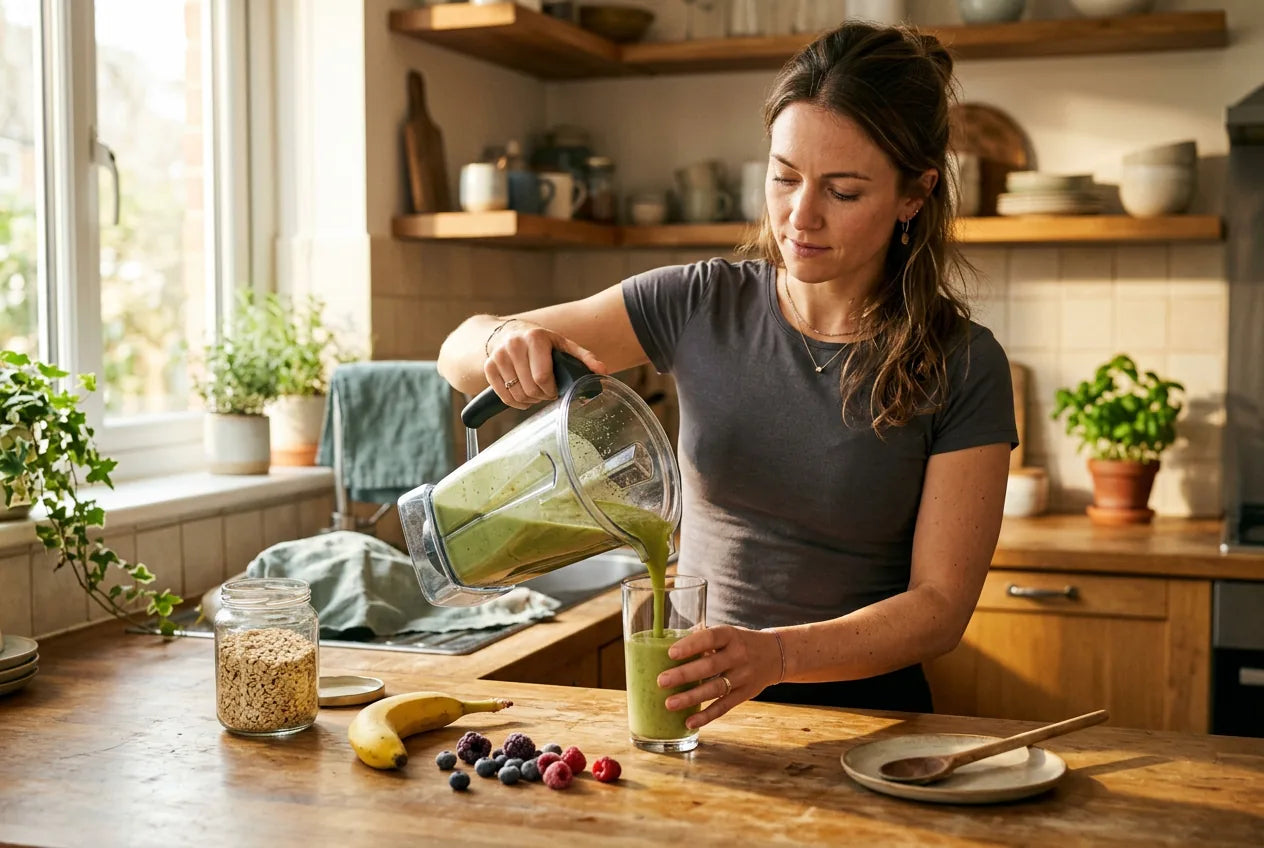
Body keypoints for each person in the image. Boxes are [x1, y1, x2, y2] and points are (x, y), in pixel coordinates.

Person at [436, 21, 1016, 727]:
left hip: (867, 727)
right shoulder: (697, 303)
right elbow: (458, 353)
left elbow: (938, 611)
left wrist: (776, 655)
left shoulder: (963, 361)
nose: (800, 216)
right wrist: (505, 340)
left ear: (914, 195)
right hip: (694, 711)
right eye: (784, 176)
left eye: (844, 191)